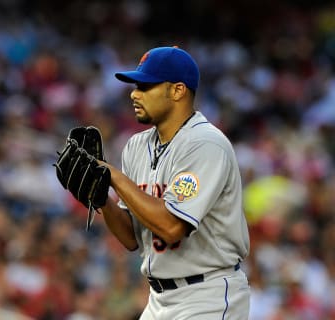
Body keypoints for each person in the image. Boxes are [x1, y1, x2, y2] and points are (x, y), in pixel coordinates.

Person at [99, 46, 251, 319]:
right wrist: (100, 199)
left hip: (208, 296)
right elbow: (132, 238)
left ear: (178, 91)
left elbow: (171, 227)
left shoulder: (205, 144)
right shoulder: (136, 146)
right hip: (158, 300)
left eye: (146, 86)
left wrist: (114, 177)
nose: (134, 93)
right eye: (136, 86)